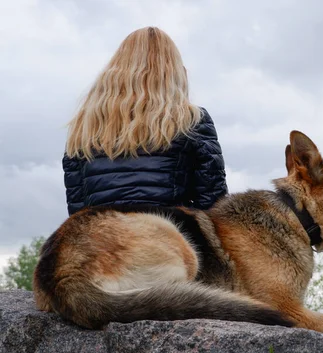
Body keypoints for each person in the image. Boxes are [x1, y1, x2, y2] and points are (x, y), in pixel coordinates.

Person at [62, 26, 228, 216]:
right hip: (168, 236)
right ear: (173, 70)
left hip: (100, 238)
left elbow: (77, 212)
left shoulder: (83, 127)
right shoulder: (192, 119)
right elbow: (213, 203)